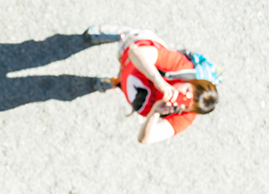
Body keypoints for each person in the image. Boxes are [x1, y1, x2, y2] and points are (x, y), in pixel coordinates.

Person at [85, 25, 219, 144]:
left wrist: (154, 112)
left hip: (133, 81)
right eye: (189, 90)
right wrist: (159, 82)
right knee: (129, 41)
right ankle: (121, 34)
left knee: (126, 82)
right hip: (134, 50)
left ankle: (116, 82)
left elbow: (144, 139)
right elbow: (136, 53)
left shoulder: (185, 118)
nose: (183, 97)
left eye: (187, 105)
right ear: (191, 81)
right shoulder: (181, 66)